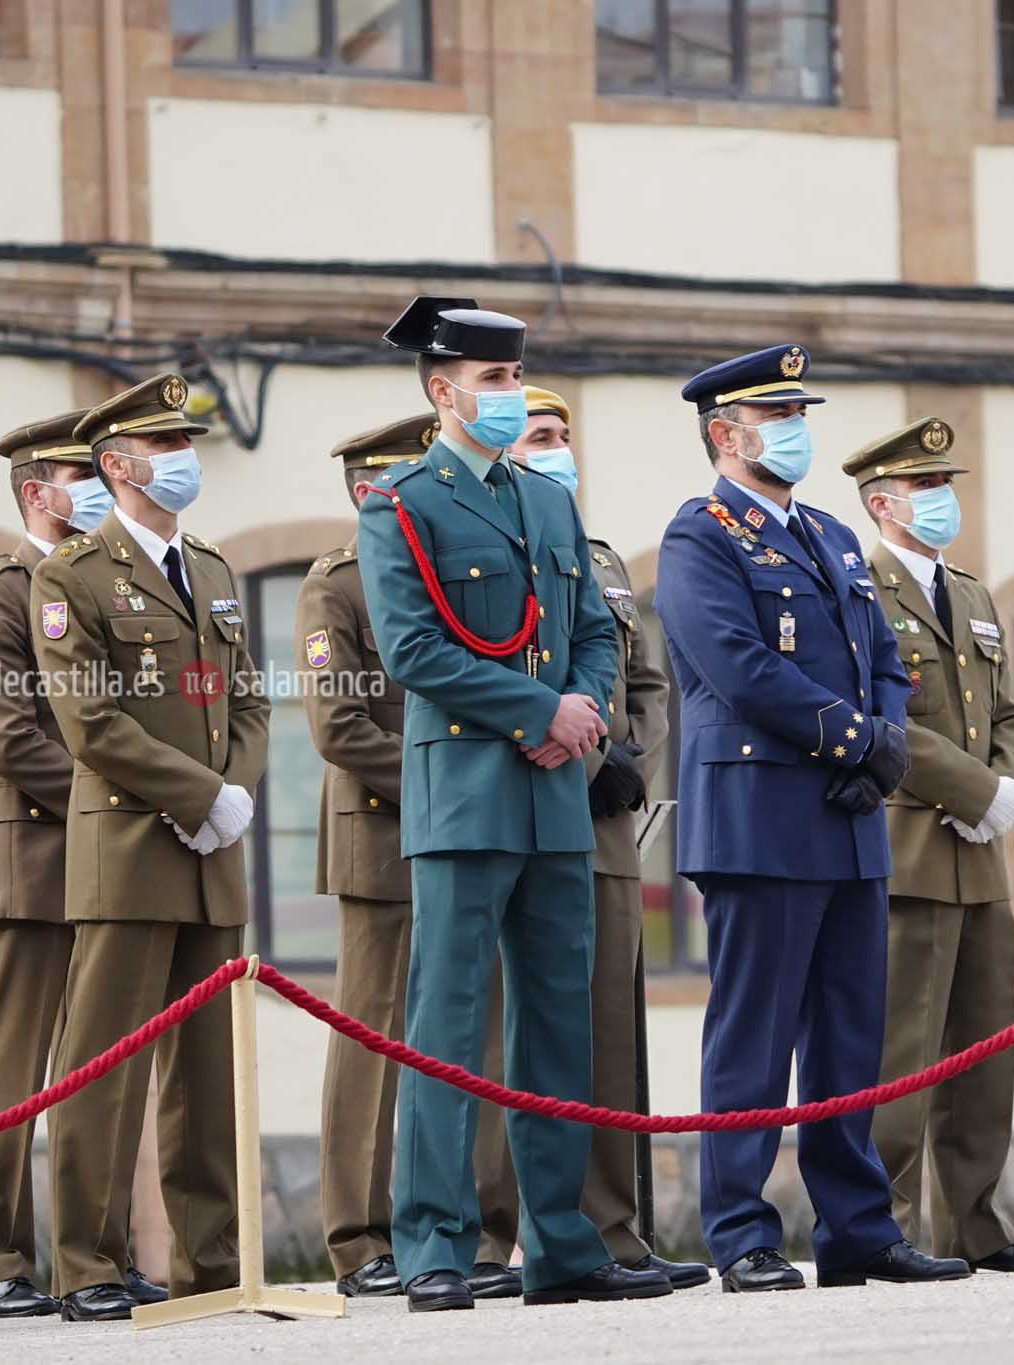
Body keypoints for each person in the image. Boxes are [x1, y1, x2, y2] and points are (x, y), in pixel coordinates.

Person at [360, 297, 666, 1312]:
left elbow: (589, 623)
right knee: (444, 1027)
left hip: (552, 797)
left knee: (555, 1028)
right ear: (443, 392)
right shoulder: (401, 503)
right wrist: (540, 711)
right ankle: (435, 1246)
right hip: (465, 793)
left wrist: (574, 711)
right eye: (491, 382)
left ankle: (562, 1244)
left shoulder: (544, 499)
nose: (508, 396)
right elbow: (412, 652)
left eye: (513, 377)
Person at [654, 345, 968, 1293]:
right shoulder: (698, 536)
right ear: (725, 433)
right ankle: (743, 1230)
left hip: (849, 816)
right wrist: (851, 741)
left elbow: (885, 659)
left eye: (799, 412)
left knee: (847, 1035)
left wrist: (885, 745)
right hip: (760, 815)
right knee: (754, 1035)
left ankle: (858, 1227)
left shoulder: (832, 535)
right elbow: (740, 666)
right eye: (775, 414)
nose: (795, 428)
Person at [33, 373, 270, 1321]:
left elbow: (247, 699)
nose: (185, 459)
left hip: (213, 853)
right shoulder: (73, 575)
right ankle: (87, 1264)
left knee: (208, 1077)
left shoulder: (210, 568)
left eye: (187, 442)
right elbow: (89, 720)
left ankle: (212, 1264)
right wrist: (199, 793)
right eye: (166, 446)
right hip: (132, 848)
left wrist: (234, 792)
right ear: (117, 465)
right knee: (106, 1069)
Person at [472, 387, 709, 1293]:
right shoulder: (484, 546)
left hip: (605, 822)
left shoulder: (601, 556)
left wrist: (626, 753)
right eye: (542, 434)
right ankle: (494, 1240)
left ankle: (611, 1230)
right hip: (522, 806)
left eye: (565, 434)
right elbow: (485, 681)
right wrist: (581, 754)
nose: (559, 447)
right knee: (510, 1029)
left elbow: (641, 678)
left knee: (609, 1025)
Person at [844, 418, 1014, 1275]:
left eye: (947, 485)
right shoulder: (859, 587)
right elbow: (881, 715)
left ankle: (973, 1221)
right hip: (912, 847)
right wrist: (973, 790)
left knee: (982, 1045)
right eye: (925, 487)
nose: (943, 501)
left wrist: (1001, 788)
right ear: (881, 502)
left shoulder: (970, 592)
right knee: (903, 1051)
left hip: (981, 854)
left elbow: (1009, 711)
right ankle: (884, 1221)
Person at [0, 410, 109, 1320]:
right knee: (14, 1068)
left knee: (98, 1065)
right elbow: (10, 737)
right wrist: (115, 801)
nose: (90, 486)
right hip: (36, 856)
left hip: (110, 862)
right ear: (33, 490)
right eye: (74, 473)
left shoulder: (98, 583)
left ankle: (94, 1258)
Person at [304, 413, 433, 1301]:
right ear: (367, 491)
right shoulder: (337, 587)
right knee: (373, 1037)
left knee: (452, 1035)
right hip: (382, 835)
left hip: (459, 836)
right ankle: (359, 1238)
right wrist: (443, 780)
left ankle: (450, 1225)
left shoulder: (441, 577)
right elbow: (337, 725)